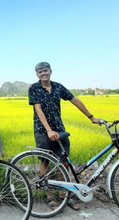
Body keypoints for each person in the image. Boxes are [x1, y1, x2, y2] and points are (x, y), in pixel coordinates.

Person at [28, 62, 101, 211]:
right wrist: (48, 130)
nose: (43, 73)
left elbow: (75, 101)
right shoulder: (34, 88)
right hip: (42, 131)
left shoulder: (58, 87)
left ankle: (63, 195)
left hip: (59, 130)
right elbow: (38, 110)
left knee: (64, 163)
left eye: (45, 70)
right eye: (40, 71)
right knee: (45, 162)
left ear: (50, 71)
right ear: (37, 74)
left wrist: (91, 117)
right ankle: (49, 196)